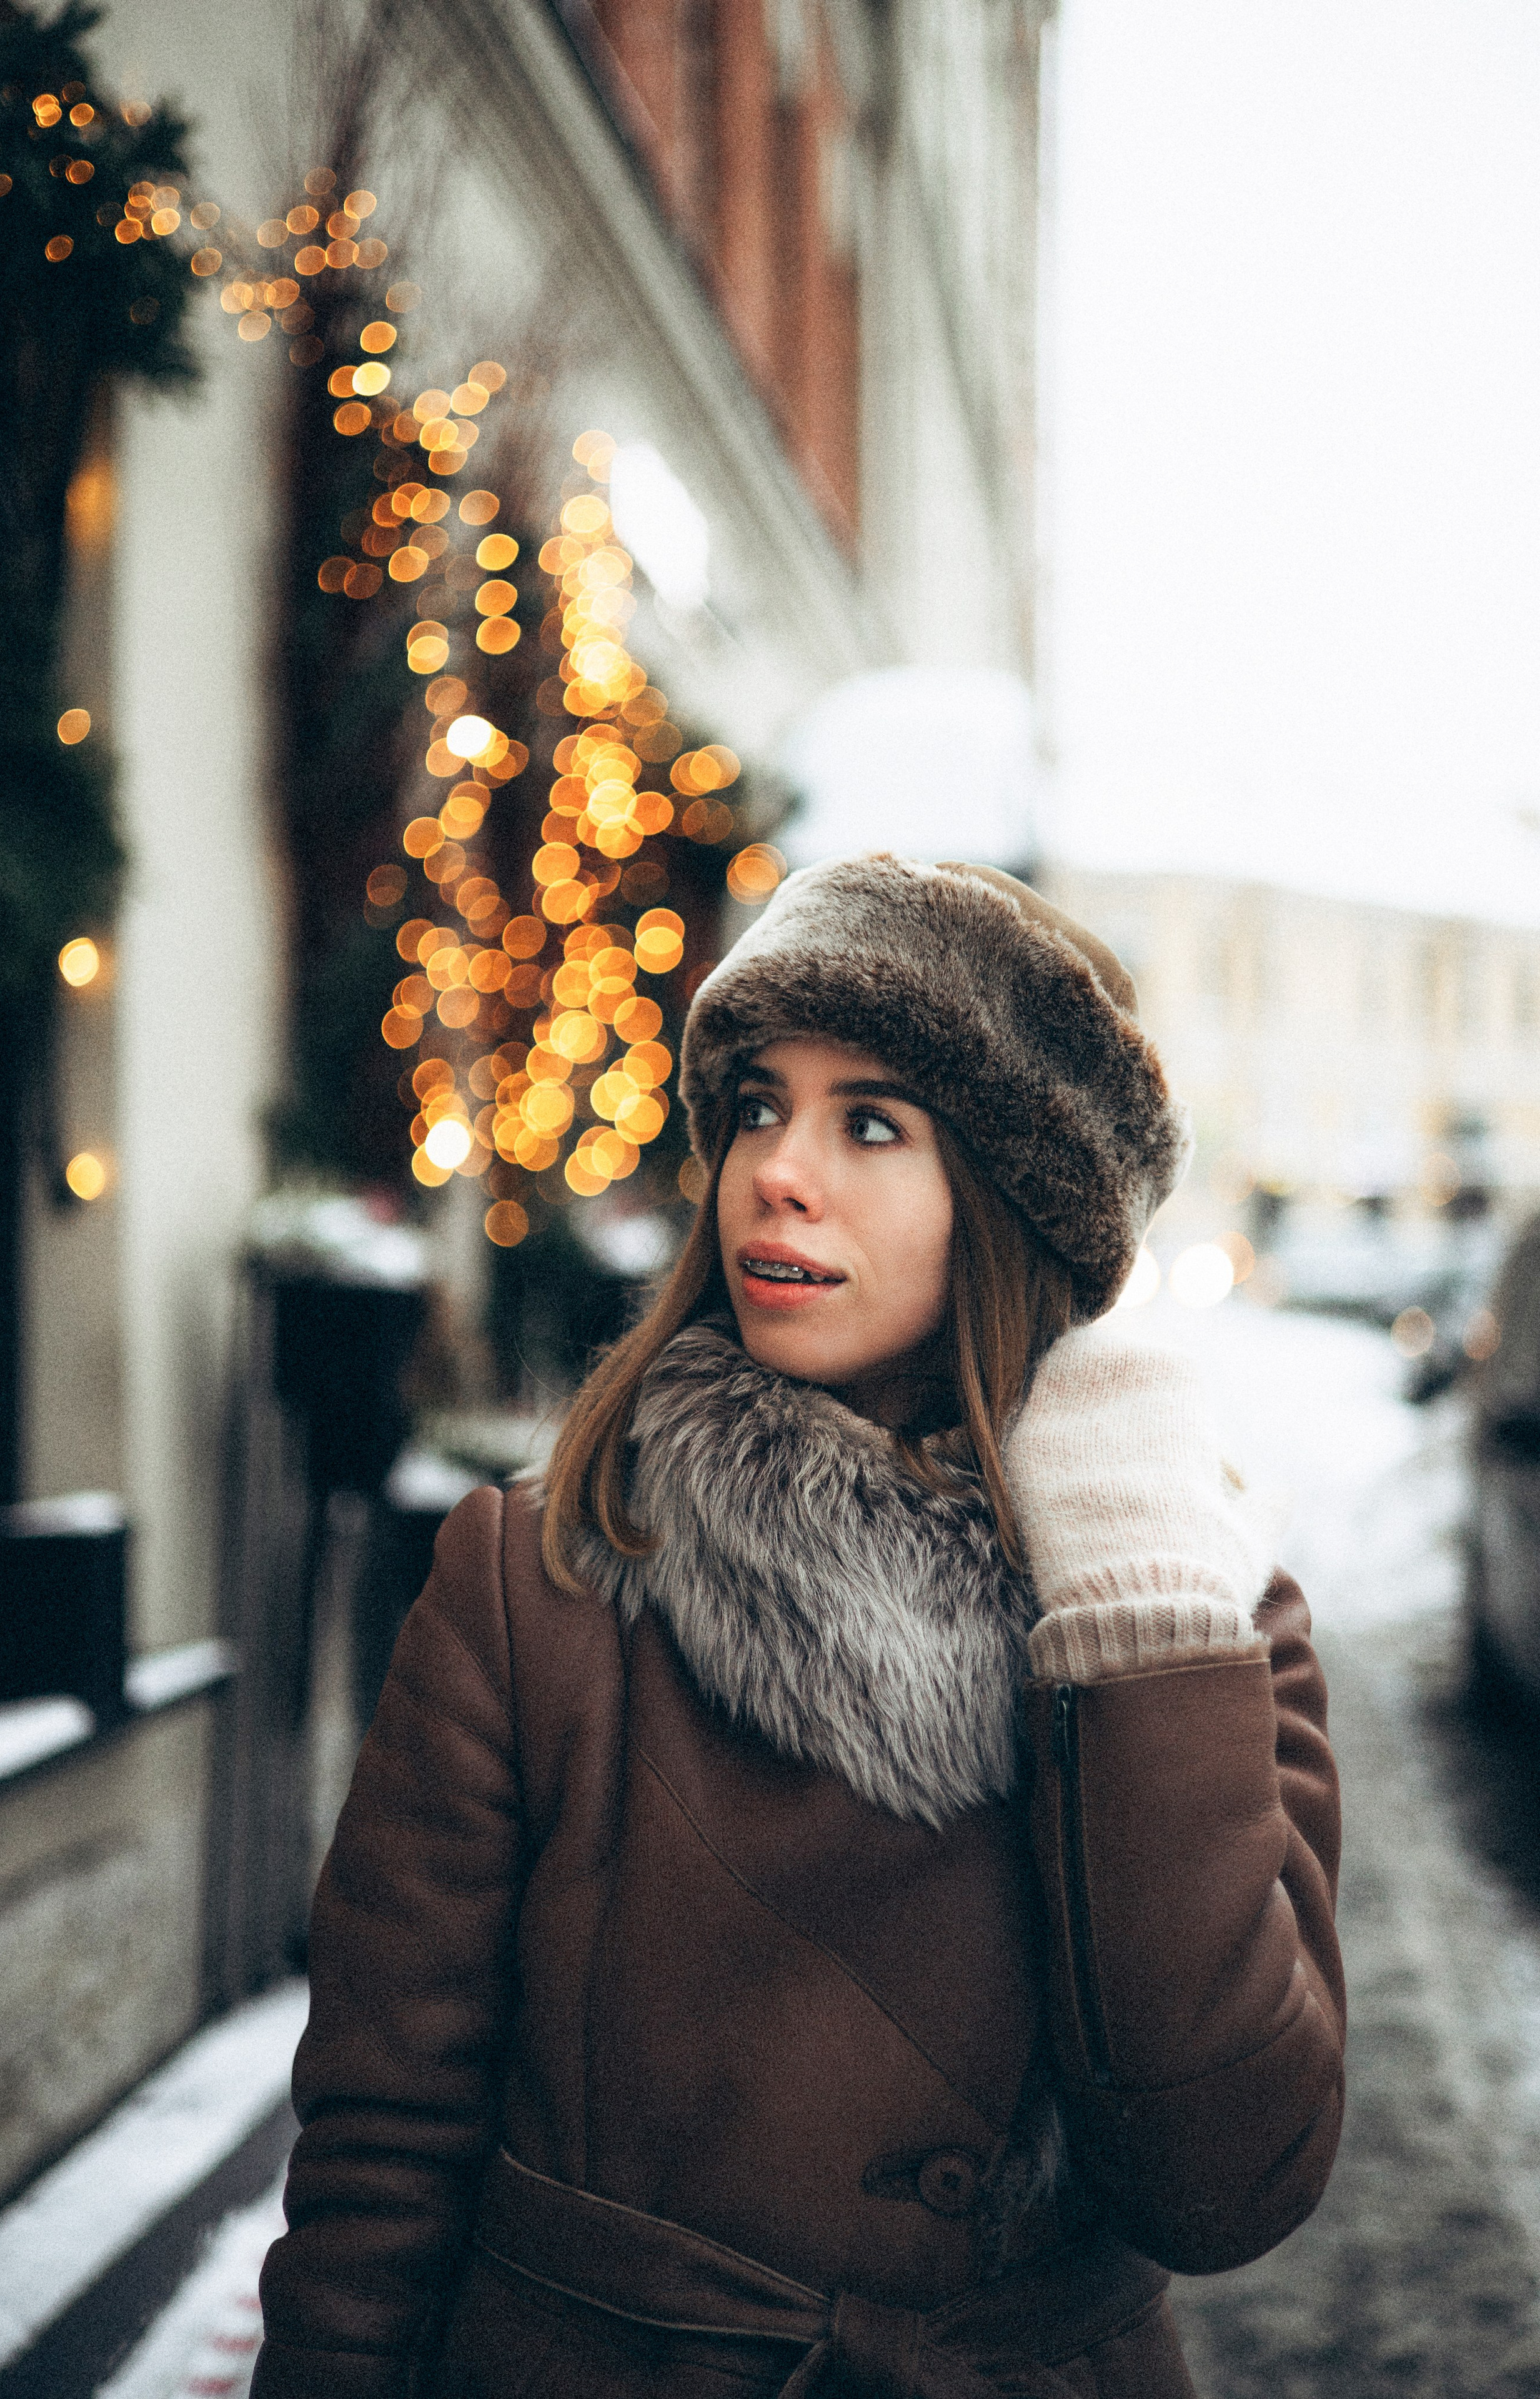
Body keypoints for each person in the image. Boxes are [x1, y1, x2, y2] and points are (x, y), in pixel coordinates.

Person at [249, 855, 1344, 2399]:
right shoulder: (544, 1576)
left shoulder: (1202, 1611)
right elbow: (381, 2147)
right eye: (758, 1103)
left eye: (871, 1123)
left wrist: (1133, 1626)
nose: (775, 1168)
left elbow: (1224, 2183)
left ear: (1016, 1204)